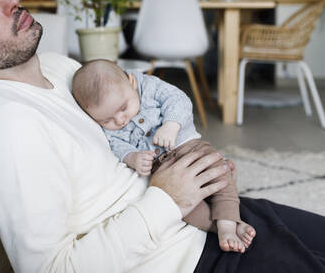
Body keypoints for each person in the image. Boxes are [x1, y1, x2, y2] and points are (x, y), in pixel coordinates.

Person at [0, 0, 325, 273]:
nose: (12, 4)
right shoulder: (8, 130)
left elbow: (136, 119)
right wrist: (168, 198)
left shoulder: (62, 69)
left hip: (216, 215)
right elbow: (50, 269)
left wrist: (198, 168)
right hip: (188, 259)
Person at [71, 59, 255, 253]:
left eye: (124, 108)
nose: (120, 120)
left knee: (218, 174)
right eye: (107, 119)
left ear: (131, 82)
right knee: (183, 210)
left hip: (188, 147)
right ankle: (217, 226)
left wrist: (170, 125)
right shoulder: (108, 125)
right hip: (163, 170)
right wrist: (132, 157)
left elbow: (178, 99)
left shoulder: (149, 86)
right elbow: (115, 144)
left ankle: (228, 223)